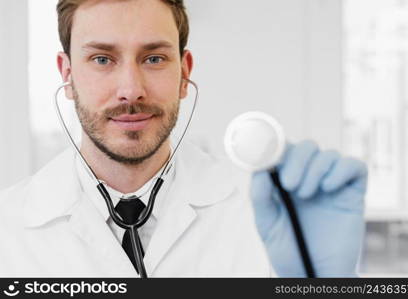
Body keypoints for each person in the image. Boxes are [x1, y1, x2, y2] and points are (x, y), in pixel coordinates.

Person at [0, 0, 367, 277]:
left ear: (183, 73)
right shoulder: (8, 229)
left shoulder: (264, 218)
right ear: (67, 74)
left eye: (154, 59)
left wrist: (322, 285)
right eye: (101, 59)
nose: (130, 90)